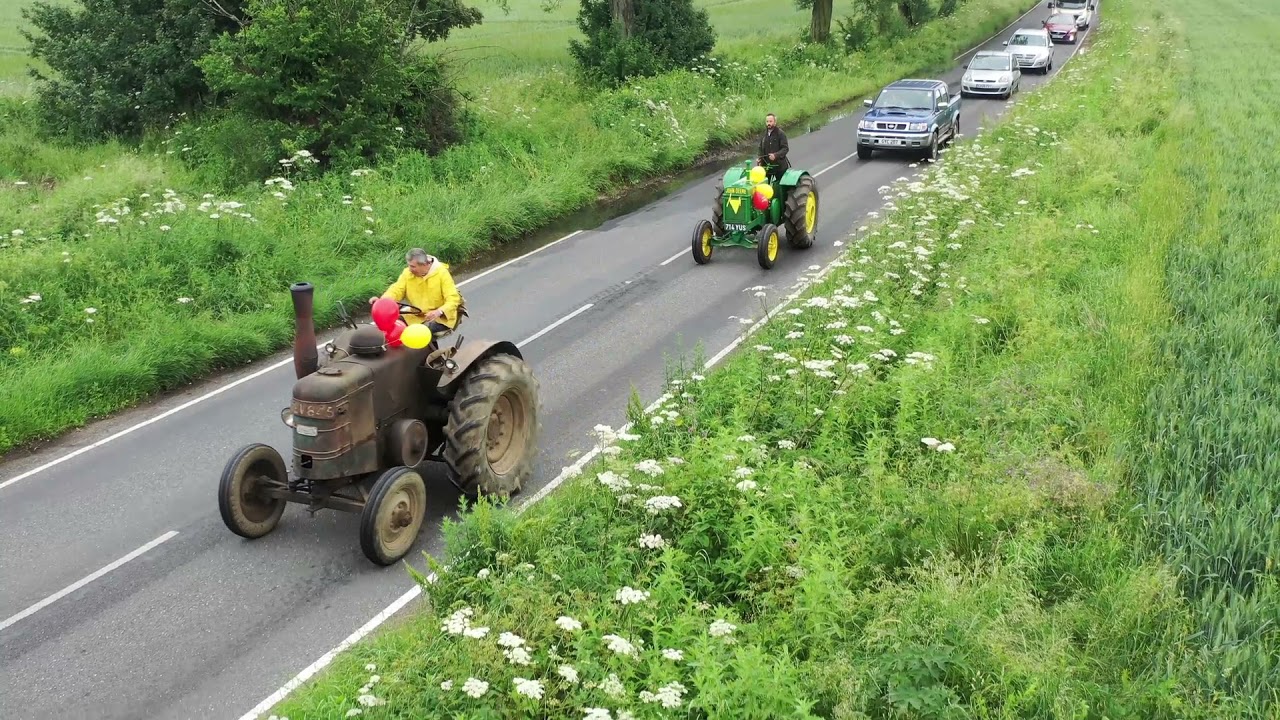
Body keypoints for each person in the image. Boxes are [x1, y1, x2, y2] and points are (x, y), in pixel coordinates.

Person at [369, 248, 464, 336]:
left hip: (439, 318)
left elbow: (453, 299)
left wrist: (439, 312)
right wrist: (382, 301)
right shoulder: (407, 273)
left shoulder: (442, 274)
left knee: (419, 333)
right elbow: (397, 289)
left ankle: (430, 353)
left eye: (413, 266)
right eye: (409, 265)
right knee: (391, 326)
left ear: (424, 264)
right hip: (415, 316)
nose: (409, 269)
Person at [757, 113, 790, 182]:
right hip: (766, 166)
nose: (768, 123)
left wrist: (776, 155)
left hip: (779, 166)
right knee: (764, 185)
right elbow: (760, 148)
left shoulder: (781, 134)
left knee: (781, 187)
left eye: (770, 121)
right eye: (767, 121)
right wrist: (760, 158)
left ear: (775, 122)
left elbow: (785, 148)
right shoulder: (763, 134)